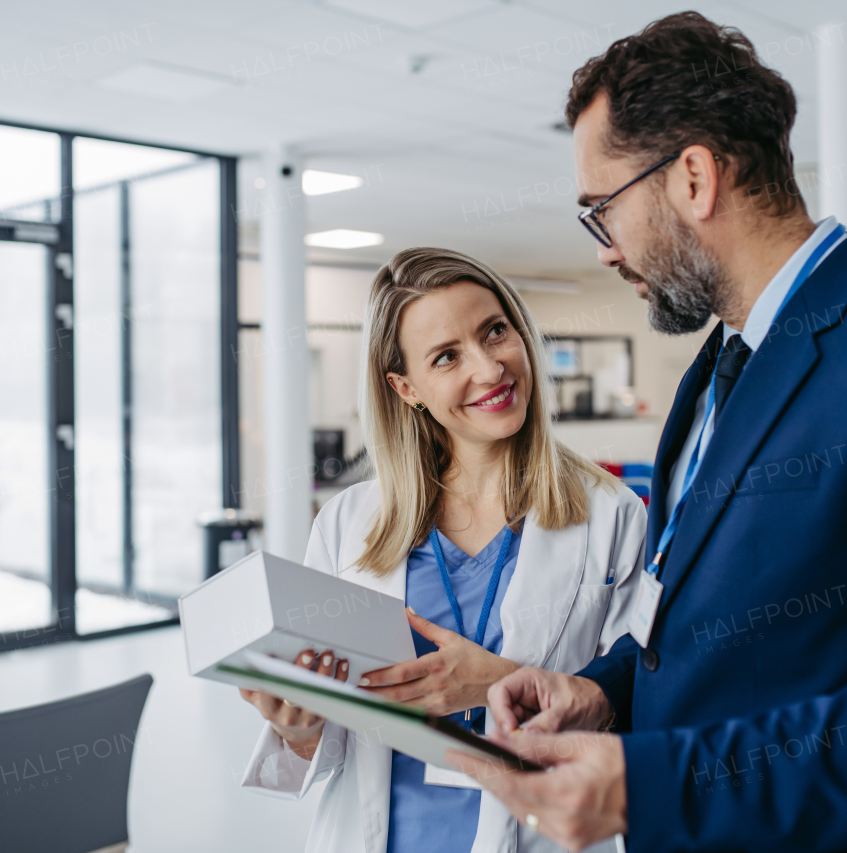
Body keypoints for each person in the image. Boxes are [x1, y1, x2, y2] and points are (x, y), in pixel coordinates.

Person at [450, 12, 847, 853]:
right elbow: (711, 623)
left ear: (694, 177)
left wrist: (652, 783)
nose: (603, 249)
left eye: (603, 211)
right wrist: (602, 692)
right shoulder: (719, 370)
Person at [237, 247, 648, 853]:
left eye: (495, 332)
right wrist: (295, 724)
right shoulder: (349, 524)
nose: (489, 369)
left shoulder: (612, 514)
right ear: (406, 387)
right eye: (447, 356)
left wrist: (499, 683)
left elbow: (641, 703)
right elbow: (330, 742)